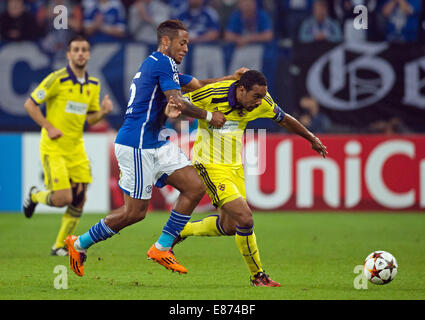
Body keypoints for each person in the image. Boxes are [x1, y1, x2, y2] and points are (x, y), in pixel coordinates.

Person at [64, 19, 247, 277]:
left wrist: (231, 78)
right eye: (182, 43)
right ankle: (79, 243)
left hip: (155, 142)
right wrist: (208, 116)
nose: (186, 48)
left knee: (195, 186)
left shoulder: (164, 66)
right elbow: (177, 100)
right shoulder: (162, 63)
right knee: (134, 213)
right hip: (137, 144)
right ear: (166, 41)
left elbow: (196, 85)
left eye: (188, 44)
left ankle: (162, 247)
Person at [171, 70, 328, 287]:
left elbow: (284, 119)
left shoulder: (261, 101)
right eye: (256, 97)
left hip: (235, 167)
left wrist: (311, 138)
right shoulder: (212, 94)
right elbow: (177, 102)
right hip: (209, 164)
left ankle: (179, 231)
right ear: (241, 89)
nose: (259, 102)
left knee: (230, 227)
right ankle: (258, 276)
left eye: (262, 97)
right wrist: (195, 114)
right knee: (245, 219)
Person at [22, 35, 114, 256]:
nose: (80, 53)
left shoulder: (93, 85)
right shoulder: (57, 79)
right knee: (63, 198)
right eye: (76, 49)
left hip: (76, 148)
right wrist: (48, 126)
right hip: (54, 147)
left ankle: (59, 246)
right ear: (69, 54)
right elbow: (30, 104)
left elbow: (89, 118)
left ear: (89, 54)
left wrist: (102, 112)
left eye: (84, 49)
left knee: (80, 199)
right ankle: (35, 195)